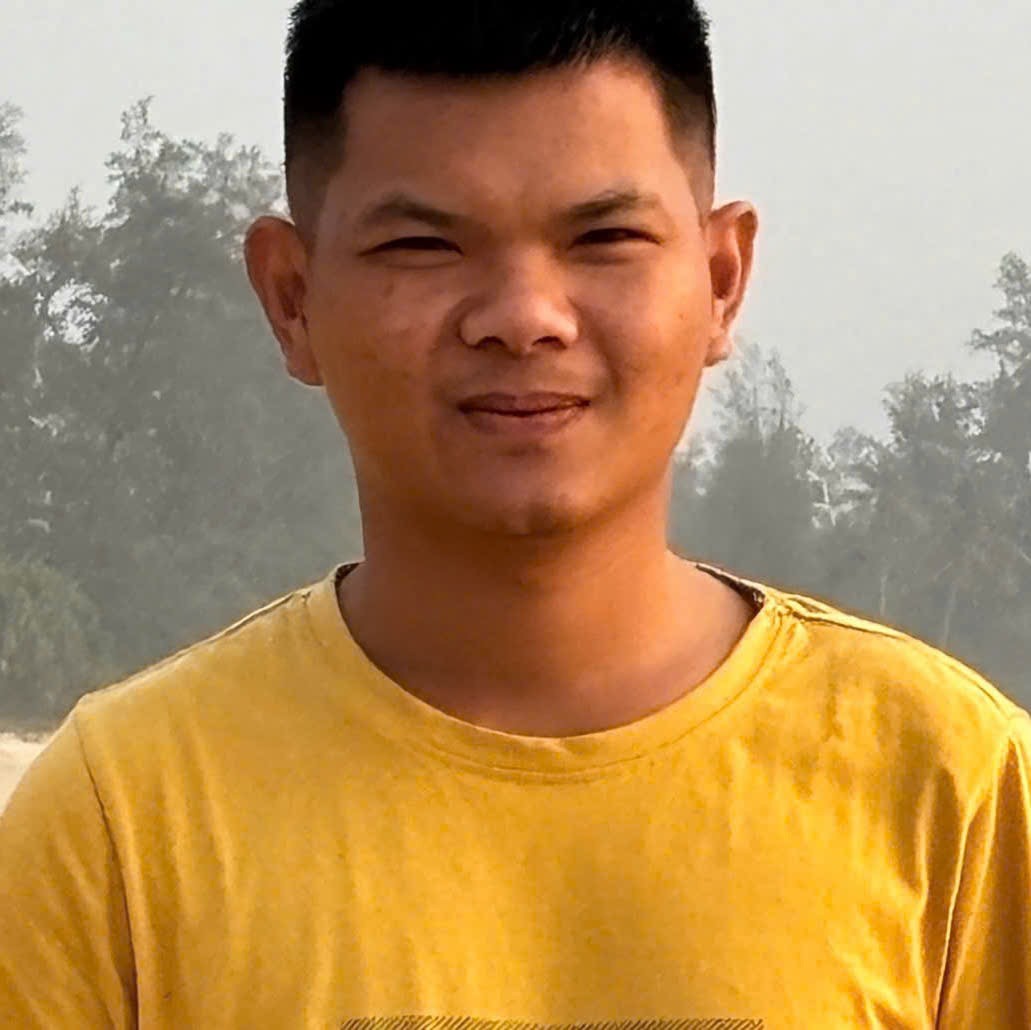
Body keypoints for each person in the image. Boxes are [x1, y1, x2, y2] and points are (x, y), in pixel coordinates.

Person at [1, 1, 1028, 1025]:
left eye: (604, 237)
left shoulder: (954, 790)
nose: (524, 316)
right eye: (422, 245)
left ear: (721, 280)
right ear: (292, 298)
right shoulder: (122, 824)